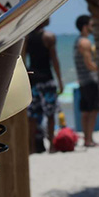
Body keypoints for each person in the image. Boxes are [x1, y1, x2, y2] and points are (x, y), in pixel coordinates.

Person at [23, 18, 62, 152]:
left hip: (33, 80)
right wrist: (60, 81)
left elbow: (22, 58)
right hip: (46, 79)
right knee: (50, 114)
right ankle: (51, 146)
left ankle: (32, 147)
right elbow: (54, 61)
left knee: (32, 116)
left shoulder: (27, 38)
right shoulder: (49, 37)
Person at [73, 14, 99, 147]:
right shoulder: (85, 42)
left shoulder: (78, 41)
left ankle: (87, 139)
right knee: (92, 111)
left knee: (86, 111)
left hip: (83, 80)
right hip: (90, 80)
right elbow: (89, 64)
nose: (92, 27)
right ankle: (89, 139)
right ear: (85, 27)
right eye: (91, 25)